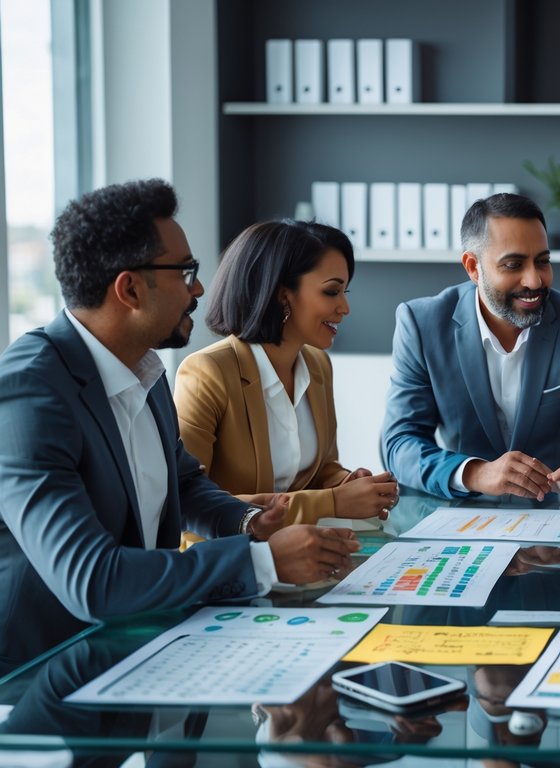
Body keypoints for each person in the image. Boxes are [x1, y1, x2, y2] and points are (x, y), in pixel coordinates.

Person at [0, 179, 360, 671]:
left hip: (145, 637)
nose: (199, 289)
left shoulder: (144, 368)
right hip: (43, 665)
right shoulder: (30, 389)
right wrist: (263, 561)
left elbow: (184, 481)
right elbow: (92, 580)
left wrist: (247, 521)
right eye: (185, 271)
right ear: (129, 289)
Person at [382, 193, 560, 509]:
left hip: (556, 516)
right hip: (460, 516)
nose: (534, 280)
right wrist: (476, 473)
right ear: (473, 267)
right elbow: (400, 445)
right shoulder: (422, 324)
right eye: (513, 265)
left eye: (543, 261)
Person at [174, 219, 398, 542]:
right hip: (229, 558)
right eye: (331, 291)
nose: (345, 307)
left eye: (344, 292)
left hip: (300, 551)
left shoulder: (317, 365)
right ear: (282, 295)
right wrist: (332, 501)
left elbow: (320, 470)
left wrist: (347, 482)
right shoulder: (207, 373)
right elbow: (189, 507)